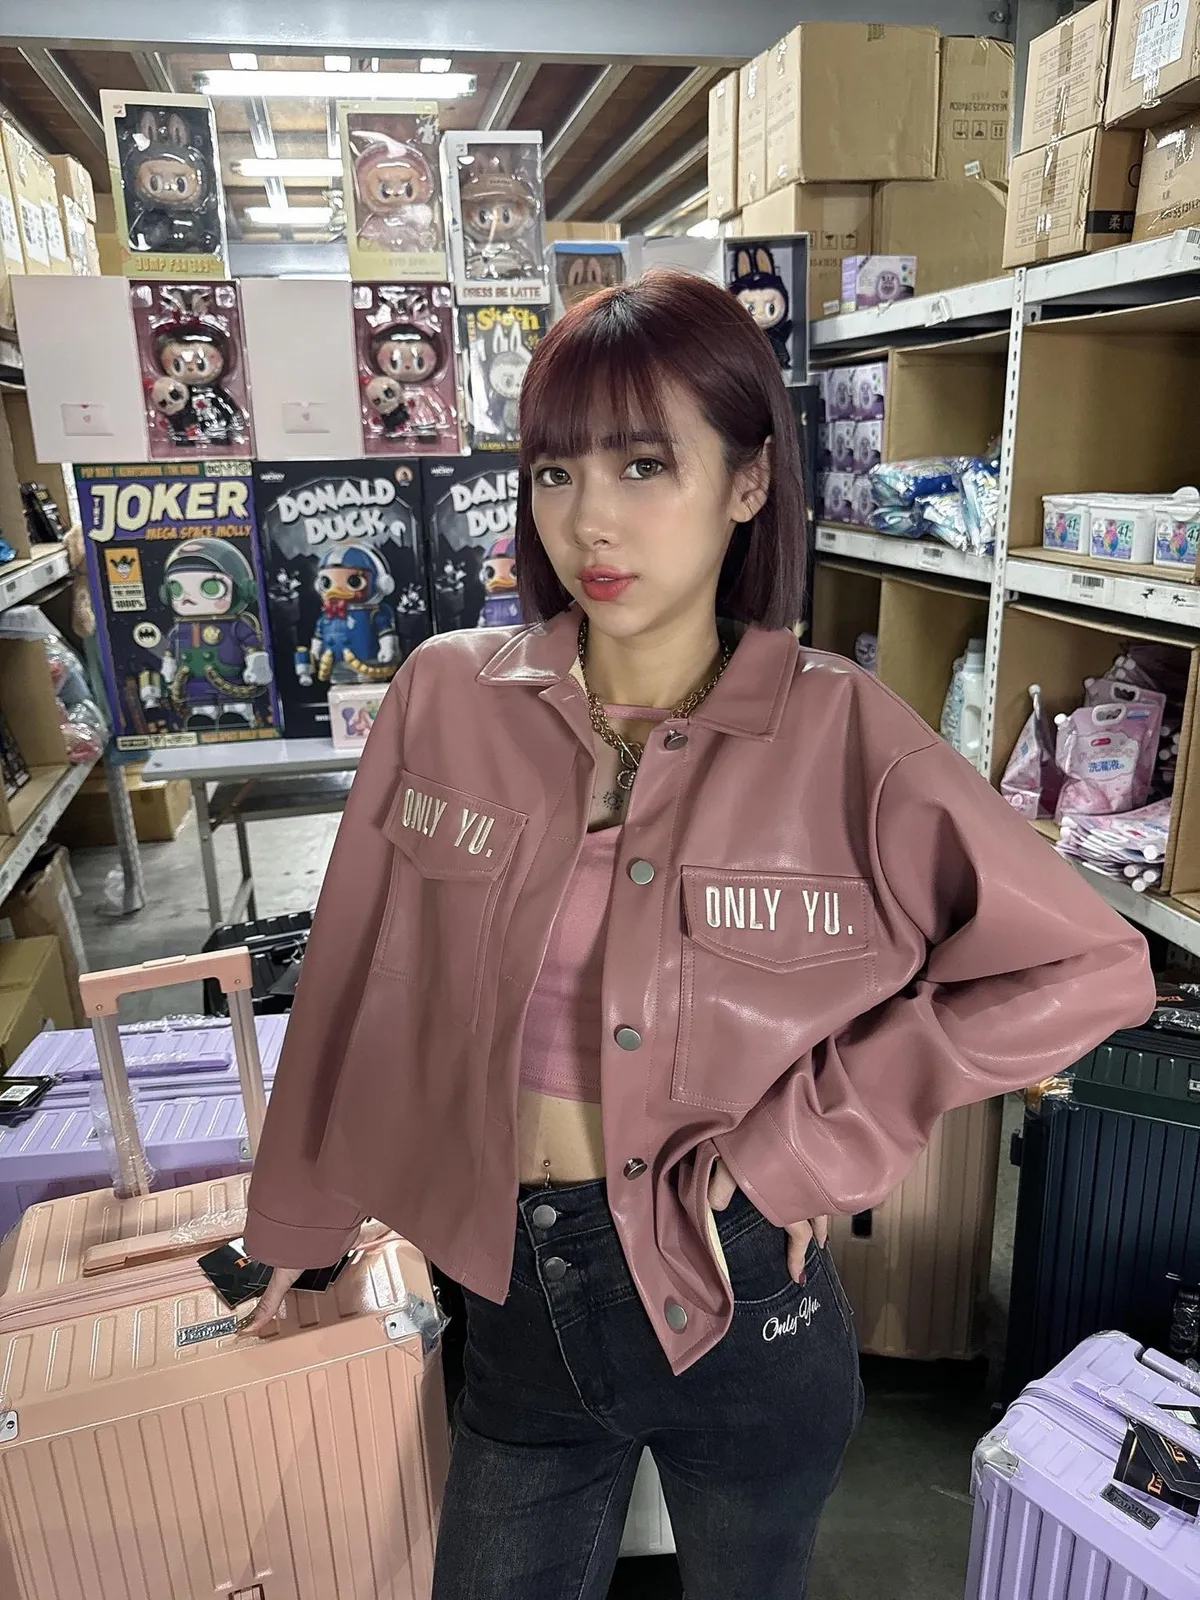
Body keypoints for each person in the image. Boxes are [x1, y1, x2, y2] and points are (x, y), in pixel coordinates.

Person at [242, 270, 1154, 1599]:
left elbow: (1089, 965)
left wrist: (815, 1138)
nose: (590, 519)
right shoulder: (445, 697)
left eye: (644, 465)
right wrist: (299, 1220)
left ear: (748, 481)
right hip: (505, 1286)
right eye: (554, 472)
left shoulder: (842, 734)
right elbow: (348, 974)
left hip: (742, 1293)